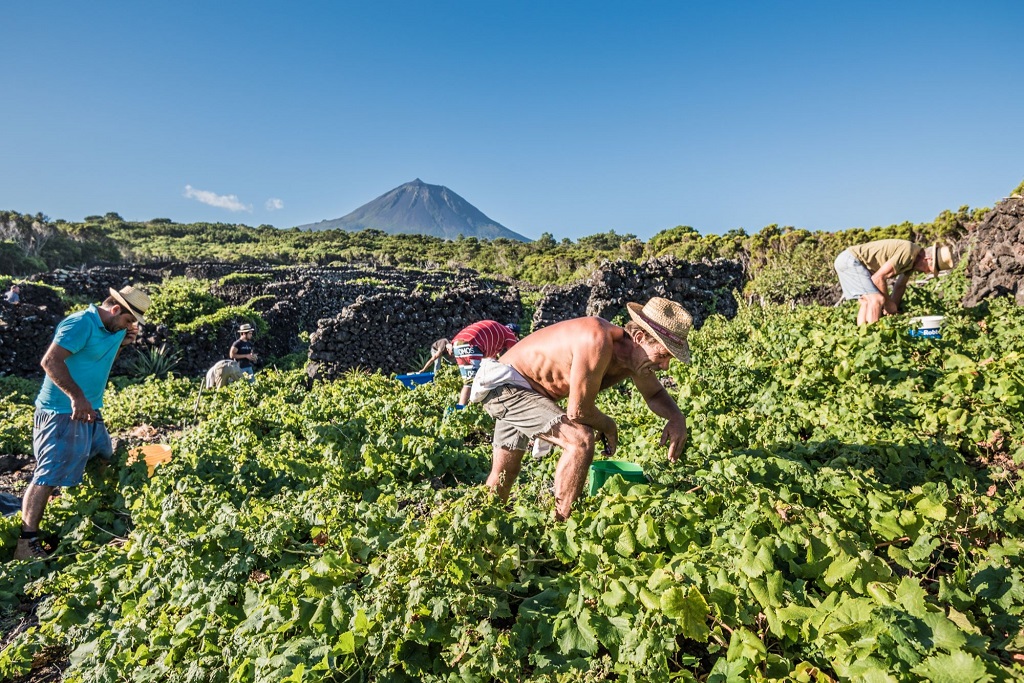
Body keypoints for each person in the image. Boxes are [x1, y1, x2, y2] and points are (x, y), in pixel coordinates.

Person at [469, 298, 691, 521]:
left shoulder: (634, 360)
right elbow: (578, 412)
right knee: (580, 441)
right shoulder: (597, 339)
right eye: (662, 355)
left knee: (505, 472)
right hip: (507, 384)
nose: (664, 366)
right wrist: (609, 426)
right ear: (640, 338)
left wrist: (676, 417)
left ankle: (483, 527)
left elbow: (654, 394)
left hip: (522, 390)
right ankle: (561, 527)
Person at [14, 285, 150, 560]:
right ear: (115, 309)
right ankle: (26, 543)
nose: (130, 326)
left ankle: (92, 514)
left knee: (102, 458)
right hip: (60, 411)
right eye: (128, 320)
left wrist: (124, 342)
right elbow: (49, 361)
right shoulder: (79, 324)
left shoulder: (116, 330)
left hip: (90, 410)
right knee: (48, 475)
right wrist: (77, 397)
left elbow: (102, 356)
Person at [834, 240, 954, 325]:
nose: (927, 273)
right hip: (850, 261)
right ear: (928, 260)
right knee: (877, 300)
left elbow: (900, 286)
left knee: (866, 302)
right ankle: (874, 340)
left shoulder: (912, 263)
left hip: (849, 261)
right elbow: (878, 278)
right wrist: (887, 303)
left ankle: (861, 336)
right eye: (931, 270)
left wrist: (893, 309)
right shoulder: (908, 252)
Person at [422, 321, 519, 407]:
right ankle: (476, 406)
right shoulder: (509, 334)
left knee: (468, 382)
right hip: (472, 344)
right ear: (515, 334)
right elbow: (515, 356)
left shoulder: (497, 334)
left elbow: (490, 360)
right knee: (476, 381)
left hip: (457, 344)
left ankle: (461, 407)